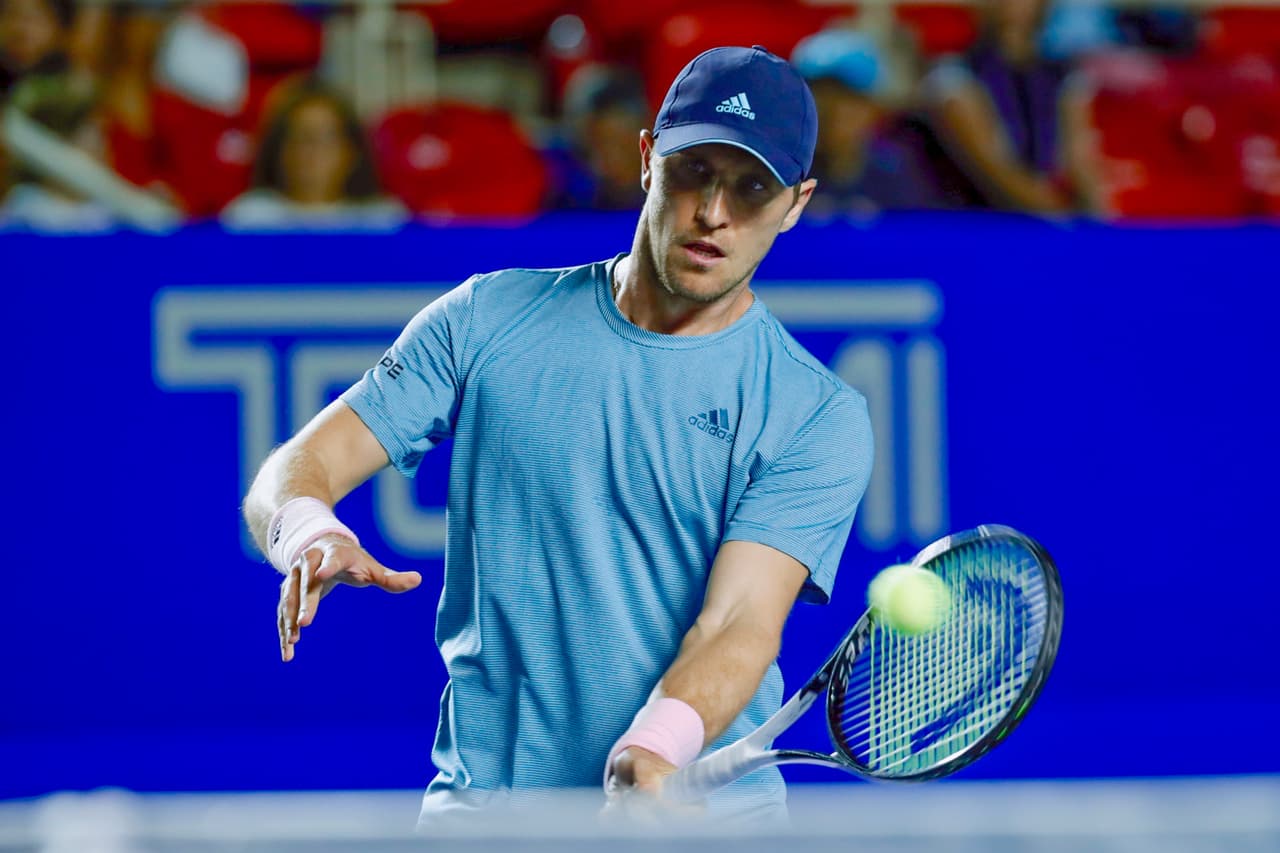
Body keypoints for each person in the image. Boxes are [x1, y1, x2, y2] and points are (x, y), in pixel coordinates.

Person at [242, 46, 873, 827]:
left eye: (751, 187)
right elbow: (294, 467)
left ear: (796, 203)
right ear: (649, 160)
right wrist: (306, 529)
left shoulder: (816, 411)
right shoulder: (486, 319)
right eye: (694, 171)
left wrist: (655, 744)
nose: (715, 211)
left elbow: (740, 620)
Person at [922, 0, 1096, 213]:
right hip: (977, 221)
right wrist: (1055, 215)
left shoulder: (1063, 75)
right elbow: (993, 170)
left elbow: (1079, 159)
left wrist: (1095, 219)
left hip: (1046, 215)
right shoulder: (953, 75)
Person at [791, 28, 946, 216]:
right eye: (820, 97)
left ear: (873, 109)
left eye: (848, 100)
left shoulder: (895, 170)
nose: (833, 114)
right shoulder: (781, 172)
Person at [221, 78, 405, 230]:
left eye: (327, 137)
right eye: (301, 136)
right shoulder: (249, 218)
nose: (313, 150)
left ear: (352, 152)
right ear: (278, 149)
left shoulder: (381, 220)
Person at [545, 63, 650, 211]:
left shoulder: (676, 197)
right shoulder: (569, 201)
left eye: (622, 145)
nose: (612, 159)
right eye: (600, 146)